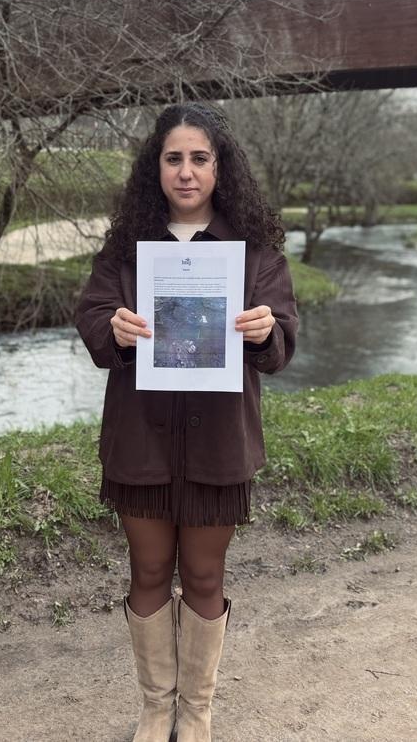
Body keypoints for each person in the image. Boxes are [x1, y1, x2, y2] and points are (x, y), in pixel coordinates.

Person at [75, 102, 299, 742]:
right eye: (173, 158)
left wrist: (264, 331)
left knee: (204, 575)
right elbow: (92, 319)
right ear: (157, 168)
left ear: (220, 168)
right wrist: (112, 328)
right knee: (147, 571)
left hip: (218, 442)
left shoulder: (254, 252)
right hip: (140, 437)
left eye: (200, 158)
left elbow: (284, 340)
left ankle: (195, 712)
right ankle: (155, 708)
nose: (187, 171)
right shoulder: (125, 249)